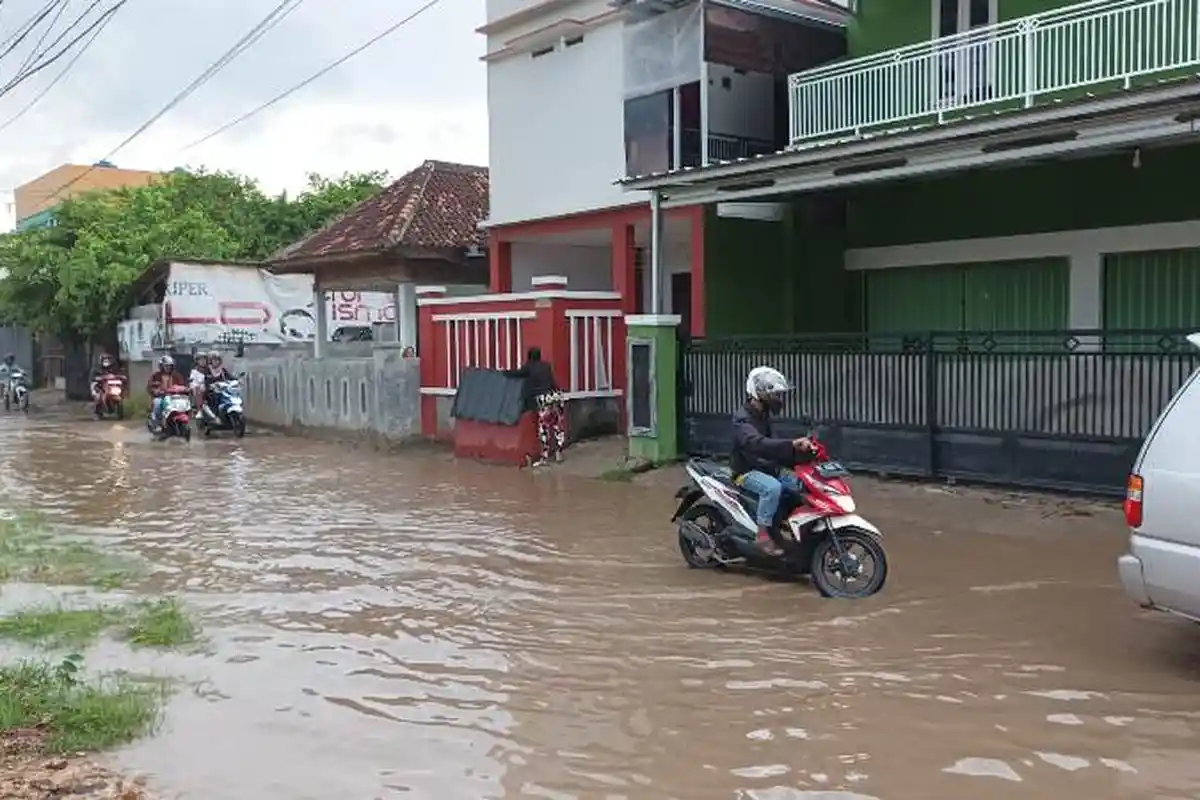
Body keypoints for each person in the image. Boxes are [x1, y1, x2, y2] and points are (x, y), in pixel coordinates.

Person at [730, 366, 815, 556]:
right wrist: (791, 444)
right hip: (746, 472)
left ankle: (791, 529)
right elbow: (758, 444)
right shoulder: (743, 419)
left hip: (767, 468)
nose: (778, 399)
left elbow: (773, 448)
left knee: (802, 485)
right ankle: (762, 535)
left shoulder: (763, 415)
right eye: (775, 394)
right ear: (760, 392)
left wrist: (800, 455)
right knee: (772, 488)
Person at [504, 346, 564, 468]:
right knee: (557, 426)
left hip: (543, 399)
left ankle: (545, 457)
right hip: (555, 396)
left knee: (544, 428)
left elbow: (517, 374)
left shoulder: (529, 367)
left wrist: (504, 372)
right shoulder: (546, 366)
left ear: (529, 357)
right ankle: (558, 452)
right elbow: (552, 382)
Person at [146, 355, 187, 431]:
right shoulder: (155, 375)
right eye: (166, 366)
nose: (168, 368)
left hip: (174, 397)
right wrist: (155, 391)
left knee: (183, 404)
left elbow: (182, 385)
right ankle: (158, 424)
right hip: (161, 397)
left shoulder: (177, 375)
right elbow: (149, 387)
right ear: (161, 366)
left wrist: (186, 389)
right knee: (157, 403)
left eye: (170, 366)